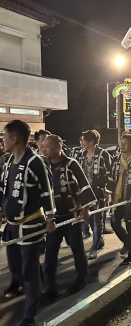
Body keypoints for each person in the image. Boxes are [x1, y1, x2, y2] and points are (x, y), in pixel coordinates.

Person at [0, 120, 56, 326]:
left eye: (5, 137)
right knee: (17, 266)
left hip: (31, 225)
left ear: (15, 139)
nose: (3, 141)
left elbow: (46, 191)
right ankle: (42, 288)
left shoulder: (35, 162)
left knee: (30, 269)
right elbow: (3, 189)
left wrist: (50, 218)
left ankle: (29, 317)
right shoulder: (7, 163)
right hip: (12, 226)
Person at [42, 135, 96, 299]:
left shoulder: (71, 164)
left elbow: (84, 184)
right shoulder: (44, 166)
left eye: (48, 146)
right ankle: (49, 285)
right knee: (50, 252)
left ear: (59, 146)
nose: (44, 149)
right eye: (43, 146)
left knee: (77, 249)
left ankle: (82, 278)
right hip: (54, 219)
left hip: (72, 216)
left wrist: (86, 208)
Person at [106, 133, 131, 265]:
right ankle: (128, 243)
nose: (122, 146)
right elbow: (112, 177)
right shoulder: (117, 159)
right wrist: (110, 194)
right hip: (118, 198)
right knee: (114, 222)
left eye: (125, 143)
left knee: (130, 225)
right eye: (121, 143)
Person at [79, 129, 112, 259]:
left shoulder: (103, 154)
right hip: (86, 193)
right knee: (88, 218)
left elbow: (109, 173)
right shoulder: (81, 155)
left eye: (84, 140)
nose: (82, 143)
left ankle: (94, 247)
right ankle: (99, 241)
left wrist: (108, 191)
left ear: (91, 141)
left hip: (99, 192)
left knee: (98, 220)